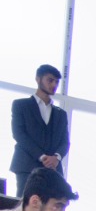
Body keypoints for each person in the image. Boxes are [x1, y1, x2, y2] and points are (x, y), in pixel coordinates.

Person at [10, 65, 69, 195]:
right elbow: (19, 134)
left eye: (56, 82)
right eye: (50, 80)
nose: (54, 85)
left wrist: (56, 158)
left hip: (53, 171)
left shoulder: (61, 114)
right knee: (24, 204)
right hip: (27, 166)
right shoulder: (21, 105)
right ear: (38, 79)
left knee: (51, 205)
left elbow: (65, 142)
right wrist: (42, 157)